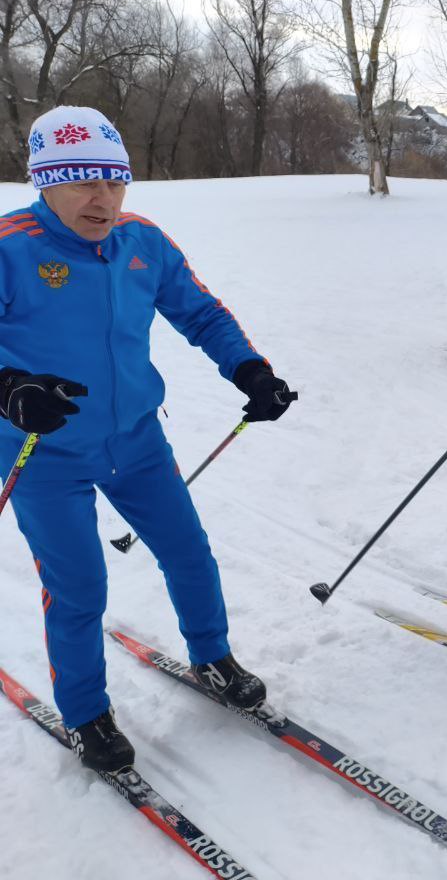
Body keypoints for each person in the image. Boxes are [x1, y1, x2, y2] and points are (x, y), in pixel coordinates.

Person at [0, 106, 295, 773]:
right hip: (41, 453)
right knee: (79, 588)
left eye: (115, 182)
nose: (103, 200)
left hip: (135, 439)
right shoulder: (10, 248)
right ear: (43, 182)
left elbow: (201, 312)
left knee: (189, 553)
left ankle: (213, 656)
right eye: (82, 183)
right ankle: (86, 712)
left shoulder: (143, 242)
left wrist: (252, 371)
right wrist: (10, 386)